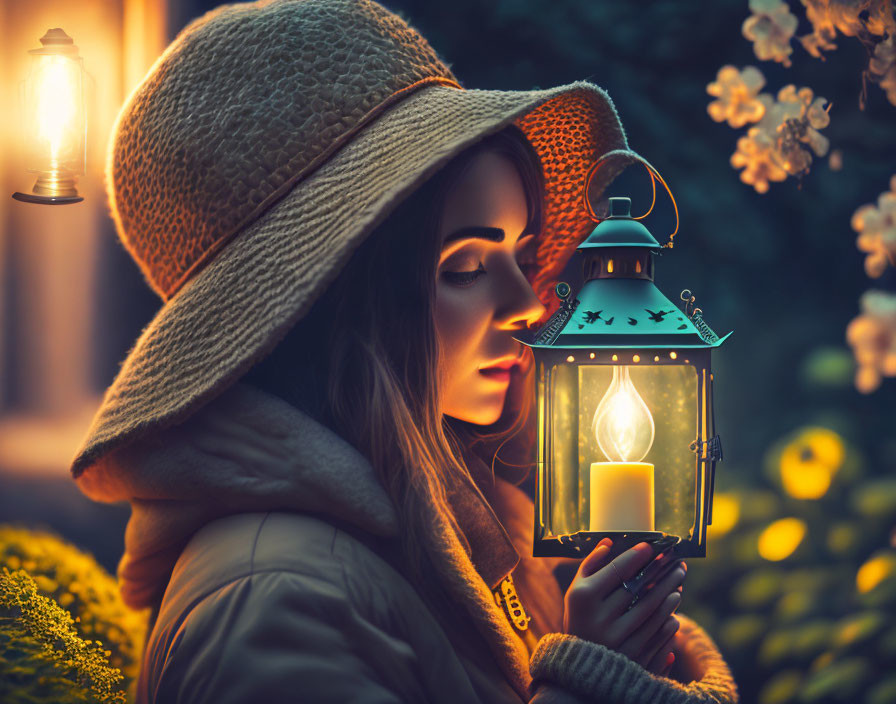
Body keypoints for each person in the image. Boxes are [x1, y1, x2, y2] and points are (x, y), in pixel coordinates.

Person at [71, 1, 739, 702]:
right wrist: (590, 680)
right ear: (329, 309)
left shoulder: (470, 536)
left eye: (522, 254)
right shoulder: (271, 597)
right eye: (463, 269)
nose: (531, 305)